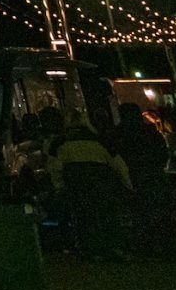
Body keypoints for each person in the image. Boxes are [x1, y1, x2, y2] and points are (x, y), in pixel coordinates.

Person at [48, 111, 130, 260]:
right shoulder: (100, 140)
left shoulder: (59, 142)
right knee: (107, 214)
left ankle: (90, 249)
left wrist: (59, 186)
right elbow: (119, 164)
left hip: (77, 183)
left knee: (83, 216)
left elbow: (55, 167)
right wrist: (127, 184)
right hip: (102, 181)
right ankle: (113, 247)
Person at [109, 103, 174, 255]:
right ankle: (161, 243)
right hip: (153, 174)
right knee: (158, 210)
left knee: (138, 211)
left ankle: (144, 244)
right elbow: (162, 152)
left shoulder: (118, 133)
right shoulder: (150, 132)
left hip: (131, 176)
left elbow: (114, 155)